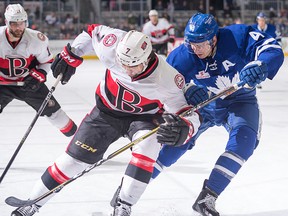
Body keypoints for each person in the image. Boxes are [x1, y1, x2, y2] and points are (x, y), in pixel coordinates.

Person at [10, 25, 201, 216]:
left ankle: (124, 205)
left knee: (148, 146)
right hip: (105, 114)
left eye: (132, 65)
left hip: (144, 119)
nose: (125, 69)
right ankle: (33, 203)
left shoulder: (167, 77)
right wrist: (72, 53)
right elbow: (92, 31)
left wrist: (186, 128)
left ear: (147, 59)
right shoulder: (113, 45)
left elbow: (185, 111)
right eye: (122, 63)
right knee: (73, 161)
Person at [151, 13, 284, 216]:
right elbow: (165, 83)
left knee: (245, 141)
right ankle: (133, 186)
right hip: (203, 105)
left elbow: (271, 48)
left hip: (240, 100)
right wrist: (186, 89)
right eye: (191, 43)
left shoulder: (237, 36)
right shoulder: (183, 55)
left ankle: (208, 197)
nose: (195, 49)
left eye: (201, 44)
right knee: (177, 139)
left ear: (214, 38)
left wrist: (261, 65)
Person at [0, 4, 77, 137]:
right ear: (6, 22)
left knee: (58, 117)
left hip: (28, 84)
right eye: (14, 24)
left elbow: (46, 62)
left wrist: (38, 76)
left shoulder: (36, 39)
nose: (19, 27)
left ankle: (81, 143)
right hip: (1, 85)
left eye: (22, 23)